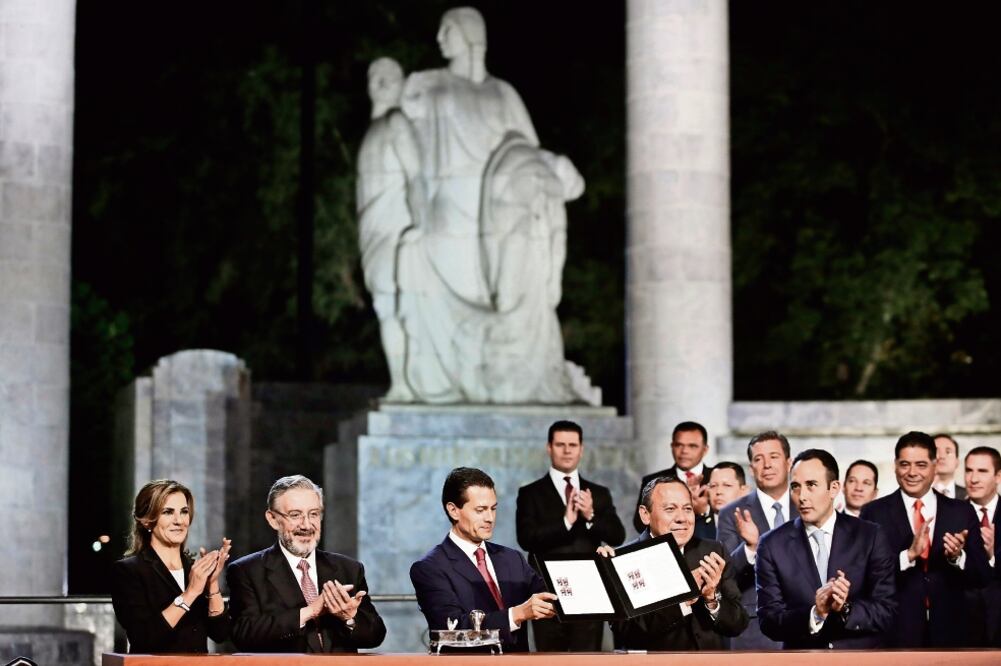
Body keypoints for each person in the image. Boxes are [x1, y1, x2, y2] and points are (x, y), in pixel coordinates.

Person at [756, 449, 897, 648]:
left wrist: (845, 609)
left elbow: (886, 611)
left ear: (834, 488)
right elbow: (769, 621)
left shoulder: (870, 536)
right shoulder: (772, 544)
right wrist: (816, 614)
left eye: (811, 485)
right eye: (796, 487)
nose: (802, 496)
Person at [227, 475, 386, 652]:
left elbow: (376, 635)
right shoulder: (247, 571)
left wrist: (350, 617)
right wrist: (309, 612)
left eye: (314, 514)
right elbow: (244, 635)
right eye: (295, 515)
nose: (307, 525)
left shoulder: (348, 568)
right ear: (272, 519)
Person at [860, 431, 990, 647]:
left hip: (953, 633)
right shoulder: (874, 513)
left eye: (921, 465)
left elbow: (983, 576)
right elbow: (865, 577)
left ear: (934, 465)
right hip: (895, 634)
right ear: (895, 465)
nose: (912, 472)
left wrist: (957, 557)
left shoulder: (961, 511)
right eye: (904, 464)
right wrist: (907, 556)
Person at [411, 467, 557, 652]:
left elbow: (555, 595)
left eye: (493, 509)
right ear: (454, 510)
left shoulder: (512, 559)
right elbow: (451, 628)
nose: (490, 518)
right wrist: (517, 614)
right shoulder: (430, 568)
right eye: (480, 510)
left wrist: (603, 565)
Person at [601, 477, 747, 650]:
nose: (682, 518)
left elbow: (738, 624)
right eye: (670, 509)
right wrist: (685, 599)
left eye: (687, 509)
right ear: (645, 514)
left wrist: (711, 599)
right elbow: (627, 633)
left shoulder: (713, 552)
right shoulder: (622, 560)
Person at [516, 420, 626, 651]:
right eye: (560, 444)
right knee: (549, 659)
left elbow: (618, 536)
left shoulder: (598, 493)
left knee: (587, 658)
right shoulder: (530, 493)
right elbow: (525, 538)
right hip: (547, 594)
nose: (567, 451)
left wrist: (591, 515)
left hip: (589, 591)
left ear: (581, 449)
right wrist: (566, 522)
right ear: (549, 447)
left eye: (572, 445)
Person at [357, 56, 426, 402]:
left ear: (401, 85)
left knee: (398, 306)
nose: (380, 82)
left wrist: (422, 226)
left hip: (397, 232)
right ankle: (400, 383)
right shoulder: (373, 129)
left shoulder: (397, 122)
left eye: (389, 76)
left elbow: (416, 176)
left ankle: (407, 385)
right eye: (374, 76)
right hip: (374, 233)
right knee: (387, 306)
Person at [111, 479, 230, 653]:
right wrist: (190, 594)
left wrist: (212, 584)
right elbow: (143, 638)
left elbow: (220, 633)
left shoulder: (194, 569)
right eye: (168, 512)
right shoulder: (129, 571)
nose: (179, 521)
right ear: (147, 521)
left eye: (184, 512)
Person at [715, 430, 797, 649]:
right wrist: (751, 547)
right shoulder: (732, 513)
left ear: (789, 463)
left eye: (774, 457)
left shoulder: (808, 506)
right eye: (759, 459)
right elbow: (726, 576)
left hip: (807, 624)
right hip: (755, 630)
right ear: (751, 469)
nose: (767, 465)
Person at [634, 421, 714, 538]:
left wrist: (704, 511)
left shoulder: (717, 478)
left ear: (705, 449)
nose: (684, 451)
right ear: (672, 446)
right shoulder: (653, 480)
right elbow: (639, 524)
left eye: (692, 446)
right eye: (679, 445)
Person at [964, 446, 1001, 646]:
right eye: (969, 470)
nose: (973, 479)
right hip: (961, 627)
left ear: (998, 476)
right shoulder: (950, 514)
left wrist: (993, 556)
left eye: (982, 471)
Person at [933, 433, 967, 499]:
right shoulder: (917, 494)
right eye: (936, 451)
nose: (942, 456)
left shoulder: (969, 496)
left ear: (957, 462)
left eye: (948, 452)